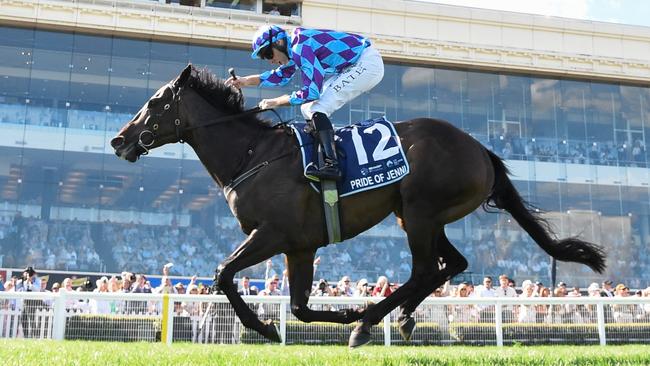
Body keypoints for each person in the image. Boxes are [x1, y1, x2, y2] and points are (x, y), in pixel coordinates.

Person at [227, 25, 385, 181]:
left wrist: (276, 101)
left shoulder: (300, 48)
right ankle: (325, 156)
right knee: (308, 109)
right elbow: (281, 75)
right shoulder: (294, 48)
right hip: (351, 66)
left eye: (268, 54)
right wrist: (246, 81)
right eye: (264, 57)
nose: (270, 60)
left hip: (366, 63)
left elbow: (312, 92)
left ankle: (333, 165)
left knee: (318, 108)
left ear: (279, 43)